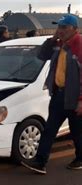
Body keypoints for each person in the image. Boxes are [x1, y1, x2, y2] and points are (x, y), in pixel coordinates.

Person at [21, 14, 82, 173]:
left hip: (74, 96)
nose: (60, 30)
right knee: (49, 128)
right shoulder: (59, 44)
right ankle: (40, 162)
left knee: (77, 130)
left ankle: (80, 158)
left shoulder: (79, 44)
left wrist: (81, 100)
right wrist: (53, 38)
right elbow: (42, 55)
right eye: (59, 27)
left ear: (74, 29)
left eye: (64, 27)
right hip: (58, 94)